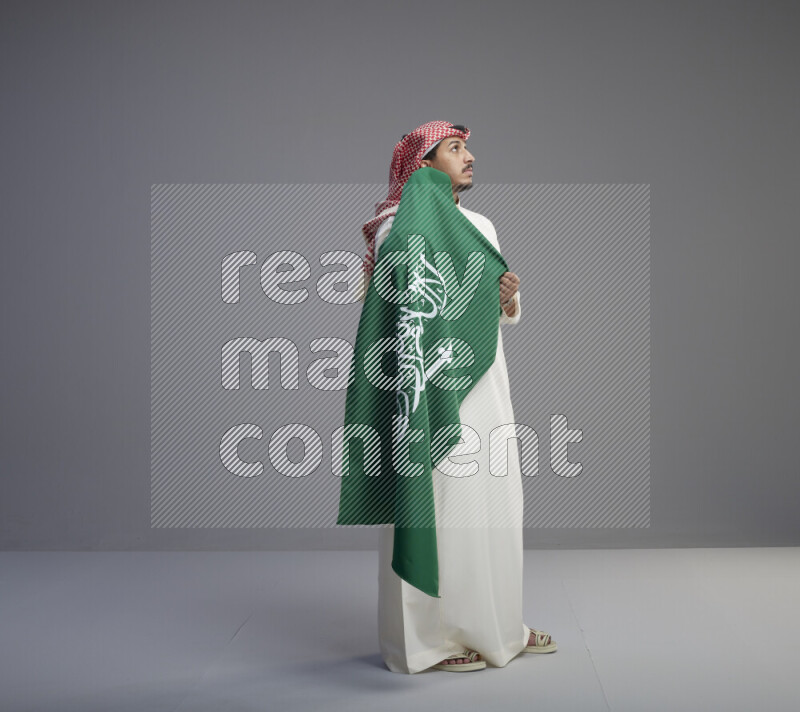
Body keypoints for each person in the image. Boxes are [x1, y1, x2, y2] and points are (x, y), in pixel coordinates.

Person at [362, 121, 557, 673]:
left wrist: (506, 298)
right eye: (454, 149)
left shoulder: (480, 225)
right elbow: (399, 310)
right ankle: (427, 642)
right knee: (434, 506)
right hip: (427, 390)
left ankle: (498, 628)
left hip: (484, 385)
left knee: (492, 506)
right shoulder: (396, 226)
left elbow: (490, 314)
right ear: (422, 165)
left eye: (467, 148)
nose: (469, 157)